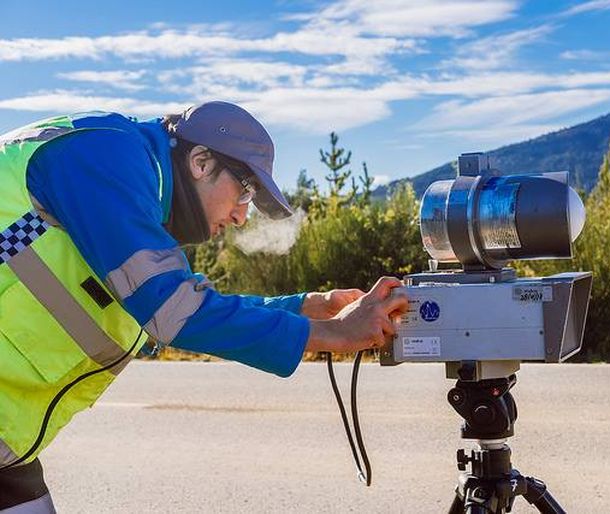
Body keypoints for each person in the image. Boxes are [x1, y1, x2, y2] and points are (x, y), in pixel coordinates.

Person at [0, 101, 408, 512]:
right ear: (200, 161)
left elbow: (188, 304)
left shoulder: (137, 205)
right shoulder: (103, 156)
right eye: (244, 192)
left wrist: (306, 307)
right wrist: (335, 333)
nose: (241, 217)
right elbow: (175, 310)